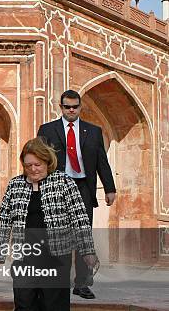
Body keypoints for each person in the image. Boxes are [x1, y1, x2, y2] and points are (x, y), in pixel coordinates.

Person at [0, 138, 97, 311]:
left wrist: (88, 251)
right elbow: (4, 221)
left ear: (48, 162)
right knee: (24, 302)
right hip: (25, 254)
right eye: (28, 165)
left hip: (55, 254)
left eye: (37, 164)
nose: (33, 169)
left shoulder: (64, 183)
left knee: (53, 306)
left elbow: (80, 219)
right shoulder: (16, 185)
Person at [37, 89, 116, 299]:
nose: (71, 110)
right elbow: (39, 159)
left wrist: (109, 188)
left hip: (82, 187)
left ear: (80, 107)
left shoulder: (93, 131)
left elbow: (102, 161)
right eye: (67, 107)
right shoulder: (47, 129)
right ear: (60, 107)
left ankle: (81, 283)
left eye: (75, 106)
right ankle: (54, 279)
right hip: (56, 187)